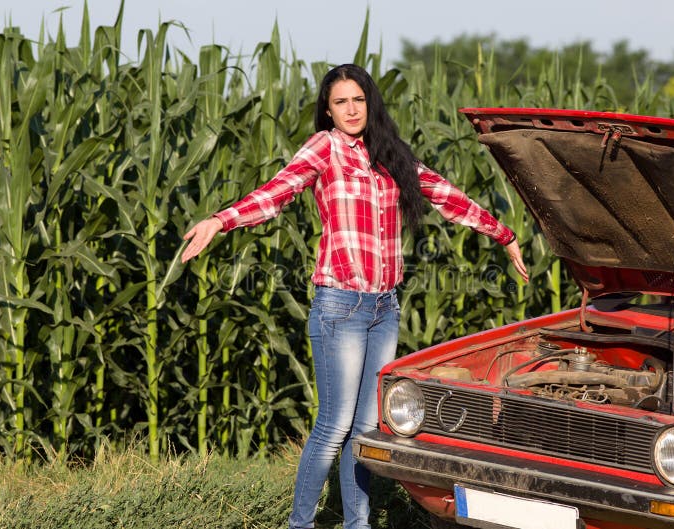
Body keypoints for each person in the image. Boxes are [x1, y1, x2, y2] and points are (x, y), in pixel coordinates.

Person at [180, 63, 528, 529]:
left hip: (384, 308)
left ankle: (356, 524)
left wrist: (503, 235)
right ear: (327, 109)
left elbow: (445, 194)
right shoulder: (324, 149)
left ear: (370, 103)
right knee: (333, 426)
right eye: (340, 101)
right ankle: (300, 523)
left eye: (358, 100)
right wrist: (221, 220)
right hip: (339, 305)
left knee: (364, 430)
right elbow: (276, 192)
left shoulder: (390, 155)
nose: (350, 109)